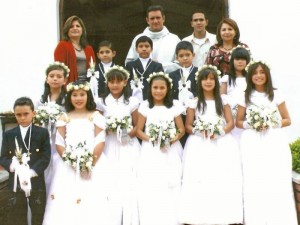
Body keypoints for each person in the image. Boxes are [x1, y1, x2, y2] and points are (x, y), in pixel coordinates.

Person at [178, 65, 243, 225]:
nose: (208, 82)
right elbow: (188, 126)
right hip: (199, 144)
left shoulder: (223, 100)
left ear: (216, 81)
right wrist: (200, 132)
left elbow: (230, 123)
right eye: (205, 79)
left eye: (211, 79)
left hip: (221, 143)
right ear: (199, 82)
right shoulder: (194, 102)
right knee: (200, 176)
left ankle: (223, 214)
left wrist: (219, 131)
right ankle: (198, 215)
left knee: (221, 175)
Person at [236, 61, 298, 225]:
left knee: (275, 177)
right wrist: (254, 124)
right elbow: (238, 122)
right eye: (255, 73)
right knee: (255, 179)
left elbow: (287, 120)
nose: (258, 76)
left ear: (267, 75)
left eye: (262, 72)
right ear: (250, 76)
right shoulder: (245, 96)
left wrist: (270, 122)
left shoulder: (276, 94)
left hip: (273, 140)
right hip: (252, 141)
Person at [42, 80, 111, 225]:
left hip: (93, 161)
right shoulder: (64, 117)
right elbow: (59, 143)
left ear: (88, 96)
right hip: (67, 164)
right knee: (66, 198)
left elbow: (100, 141)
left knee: (92, 197)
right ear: (69, 97)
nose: (78, 98)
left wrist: (89, 162)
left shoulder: (96, 116)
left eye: (82, 95)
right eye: (74, 95)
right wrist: (70, 160)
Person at [136, 72, 185, 225]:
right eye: (155, 88)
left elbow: (181, 129)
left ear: (168, 89)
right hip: (151, 149)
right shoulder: (145, 105)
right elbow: (138, 130)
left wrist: (169, 139)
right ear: (150, 89)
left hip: (170, 148)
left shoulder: (175, 105)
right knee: (152, 182)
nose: (158, 91)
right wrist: (153, 139)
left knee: (172, 181)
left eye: (162, 88)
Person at [96, 65, 141, 225]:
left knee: (128, 179)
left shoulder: (132, 101)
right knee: (111, 179)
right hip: (109, 144)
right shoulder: (101, 102)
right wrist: (109, 129)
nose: (115, 85)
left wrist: (127, 134)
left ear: (125, 82)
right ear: (107, 83)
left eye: (118, 81)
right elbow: (98, 125)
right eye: (111, 82)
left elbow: (138, 125)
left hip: (128, 145)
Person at [0, 97, 51, 225]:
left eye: (26, 114)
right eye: (18, 115)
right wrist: (13, 166)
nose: (22, 118)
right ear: (14, 115)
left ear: (33, 113)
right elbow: (3, 157)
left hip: (36, 180)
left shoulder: (42, 133)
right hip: (15, 181)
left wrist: (32, 172)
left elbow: (45, 157)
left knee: (38, 213)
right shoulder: (9, 134)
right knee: (17, 213)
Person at [35, 62, 68, 197]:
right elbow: (35, 119)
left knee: (59, 168)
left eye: (59, 76)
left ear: (65, 80)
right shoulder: (41, 100)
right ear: (46, 78)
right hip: (44, 138)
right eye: (52, 76)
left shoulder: (67, 99)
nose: (55, 79)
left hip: (60, 138)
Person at [125, 5, 180, 73]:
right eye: (152, 18)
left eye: (158, 18)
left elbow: (180, 63)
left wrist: (158, 66)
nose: (155, 21)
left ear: (163, 18)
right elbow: (129, 63)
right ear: (147, 20)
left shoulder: (174, 39)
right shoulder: (138, 38)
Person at [169, 41, 198, 147]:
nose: (185, 58)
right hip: (178, 113)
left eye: (187, 55)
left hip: (194, 111)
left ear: (193, 55)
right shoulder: (172, 75)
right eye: (181, 56)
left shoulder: (199, 72)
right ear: (177, 58)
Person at [220, 46, 250, 140]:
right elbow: (222, 98)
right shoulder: (226, 79)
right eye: (237, 59)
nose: (240, 62)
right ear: (232, 61)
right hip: (230, 116)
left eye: (243, 59)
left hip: (246, 117)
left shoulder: (250, 79)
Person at [54, 15, 96, 84]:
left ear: (82, 29)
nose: (75, 28)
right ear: (67, 30)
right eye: (71, 26)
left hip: (87, 84)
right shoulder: (62, 46)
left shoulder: (89, 49)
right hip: (70, 84)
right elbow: (59, 69)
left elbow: (93, 69)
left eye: (78, 26)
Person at [125, 35, 164, 102]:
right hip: (133, 97)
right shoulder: (130, 65)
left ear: (151, 49)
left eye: (147, 46)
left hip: (151, 98)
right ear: (136, 49)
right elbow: (126, 83)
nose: (144, 49)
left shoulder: (157, 66)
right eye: (141, 46)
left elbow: (161, 83)